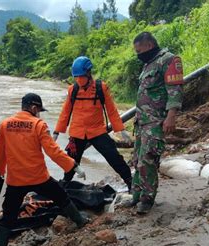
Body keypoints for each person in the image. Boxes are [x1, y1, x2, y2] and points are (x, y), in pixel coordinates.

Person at [0, 93, 89, 246]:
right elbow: (53, 151)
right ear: (34, 108)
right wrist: (73, 165)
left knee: (8, 215)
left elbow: (0, 152)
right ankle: (80, 221)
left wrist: (1, 171)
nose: (39, 114)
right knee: (61, 196)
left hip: (16, 180)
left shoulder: (5, 125)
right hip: (38, 177)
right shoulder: (38, 125)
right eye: (39, 110)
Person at [53, 56, 133, 191]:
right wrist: (57, 131)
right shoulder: (73, 90)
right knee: (71, 160)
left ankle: (130, 182)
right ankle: (65, 185)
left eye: (81, 76)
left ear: (89, 73)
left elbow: (112, 110)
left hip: (97, 130)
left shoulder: (101, 88)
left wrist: (121, 129)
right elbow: (66, 111)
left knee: (113, 156)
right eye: (76, 77)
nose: (79, 80)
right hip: (77, 132)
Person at [129, 32, 184, 214]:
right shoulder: (148, 64)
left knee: (148, 160)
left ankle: (147, 199)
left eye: (139, 50)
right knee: (137, 160)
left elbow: (174, 90)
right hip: (142, 121)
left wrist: (171, 116)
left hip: (156, 121)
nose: (138, 54)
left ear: (150, 45)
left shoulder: (169, 60)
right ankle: (136, 195)